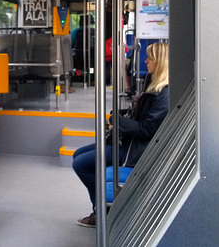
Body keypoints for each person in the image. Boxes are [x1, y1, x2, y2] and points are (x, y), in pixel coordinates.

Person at [72, 42, 169, 227]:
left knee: (81, 164)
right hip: (128, 141)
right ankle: (101, 209)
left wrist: (118, 122)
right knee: (78, 155)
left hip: (135, 150)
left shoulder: (164, 94)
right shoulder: (153, 85)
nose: (146, 61)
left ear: (160, 62)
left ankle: (101, 212)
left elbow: (147, 129)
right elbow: (139, 115)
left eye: (150, 58)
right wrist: (119, 116)